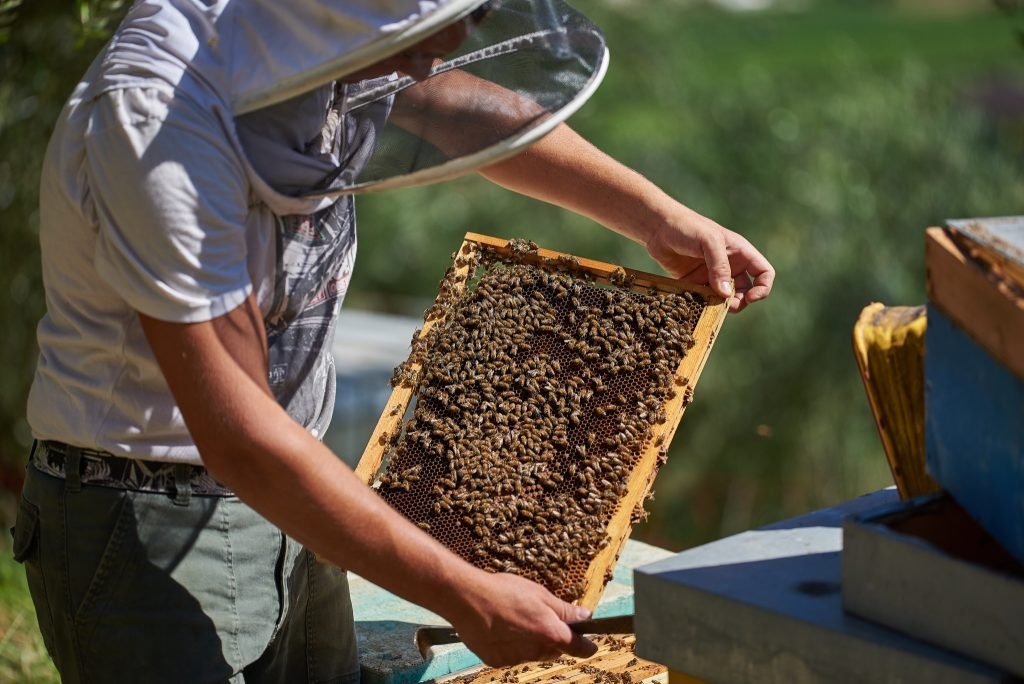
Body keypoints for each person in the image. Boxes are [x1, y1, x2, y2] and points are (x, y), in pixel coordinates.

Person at [11, 0, 775, 681]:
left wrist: (655, 217)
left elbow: (452, 104)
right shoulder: (157, 125)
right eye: (418, 34)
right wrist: (464, 593)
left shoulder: (326, 32)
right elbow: (239, 433)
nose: (437, 52)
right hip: (147, 526)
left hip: (295, 503)